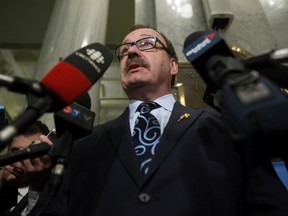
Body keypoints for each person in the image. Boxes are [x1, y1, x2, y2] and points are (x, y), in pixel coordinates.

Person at [29, 25, 288, 216]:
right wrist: (41, 183)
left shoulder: (221, 125)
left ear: (174, 65)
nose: (131, 51)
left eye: (146, 43)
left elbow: (270, 204)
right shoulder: (86, 143)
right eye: (124, 49)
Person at [0, 120, 54, 216]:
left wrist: (36, 188)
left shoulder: (48, 195)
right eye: (15, 151)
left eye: (28, 154)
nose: (18, 161)